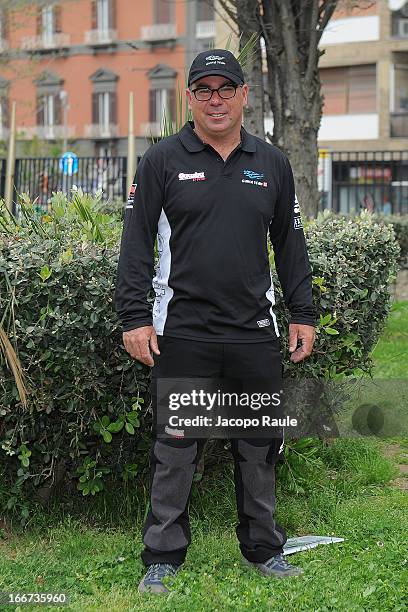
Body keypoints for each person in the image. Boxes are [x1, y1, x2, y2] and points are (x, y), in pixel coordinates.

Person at [115, 49, 316, 595]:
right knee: (176, 449)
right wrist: (135, 317)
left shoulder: (271, 163)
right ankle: (162, 555)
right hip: (183, 333)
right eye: (204, 90)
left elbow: (289, 243)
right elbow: (135, 247)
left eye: (225, 88)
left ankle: (264, 549)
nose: (216, 99)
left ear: (244, 94)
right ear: (190, 98)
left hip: (254, 333)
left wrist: (304, 313)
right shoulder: (162, 161)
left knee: (259, 448)